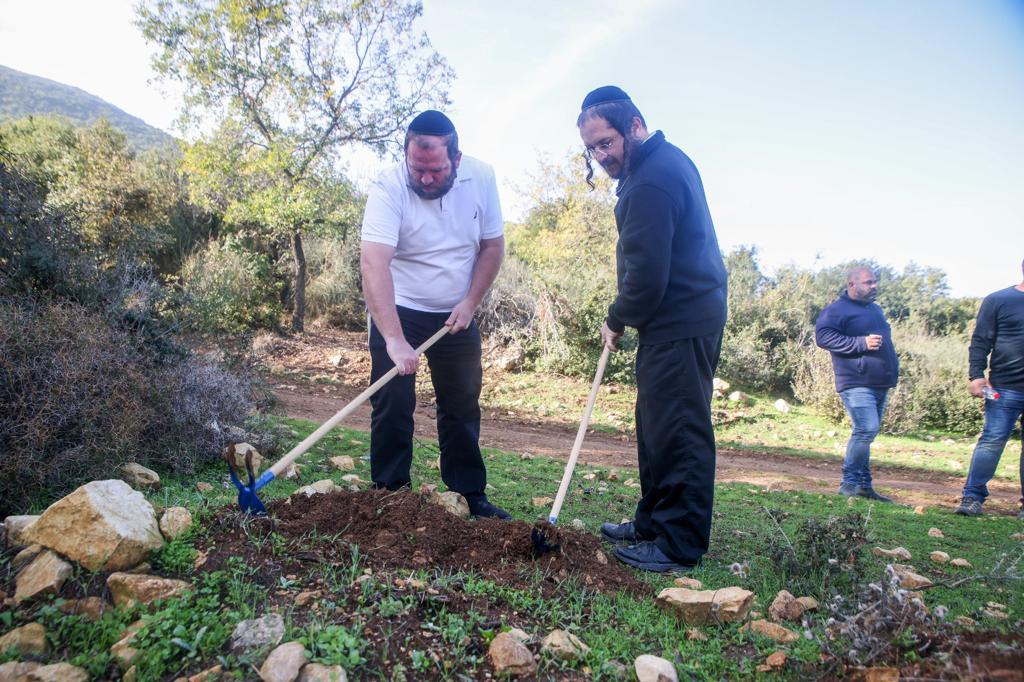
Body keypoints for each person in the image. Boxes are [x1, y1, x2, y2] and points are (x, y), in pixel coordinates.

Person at [577, 86, 728, 572]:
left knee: (678, 429)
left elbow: (646, 275)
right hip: (677, 319)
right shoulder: (661, 164)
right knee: (657, 426)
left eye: (606, 142)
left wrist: (617, 316)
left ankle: (678, 544)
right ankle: (652, 523)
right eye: (592, 148)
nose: (601, 155)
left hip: (681, 319)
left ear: (635, 126)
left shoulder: (650, 181)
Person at [360, 110, 510, 519]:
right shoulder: (388, 186)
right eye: (417, 169)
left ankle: (468, 495)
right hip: (398, 307)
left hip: (455, 312)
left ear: (456, 160)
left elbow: (492, 247)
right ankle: (390, 493)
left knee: (461, 403)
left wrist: (470, 302)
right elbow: (374, 263)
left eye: (436, 170)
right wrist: (393, 338)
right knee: (392, 400)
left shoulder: (481, 177)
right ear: (406, 157)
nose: (426, 179)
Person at [815, 267, 900, 502]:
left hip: (880, 383)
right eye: (868, 282)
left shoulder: (875, 309)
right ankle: (849, 484)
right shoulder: (836, 310)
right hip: (856, 382)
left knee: (867, 433)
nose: (874, 286)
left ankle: (864, 486)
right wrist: (861, 343)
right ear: (852, 284)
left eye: (875, 281)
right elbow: (823, 337)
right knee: (866, 429)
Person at [955, 259, 1024, 519]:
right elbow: (981, 340)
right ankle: (972, 497)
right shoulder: (999, 300)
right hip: (1004, 388)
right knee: (992, 441)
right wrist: (976, 376)